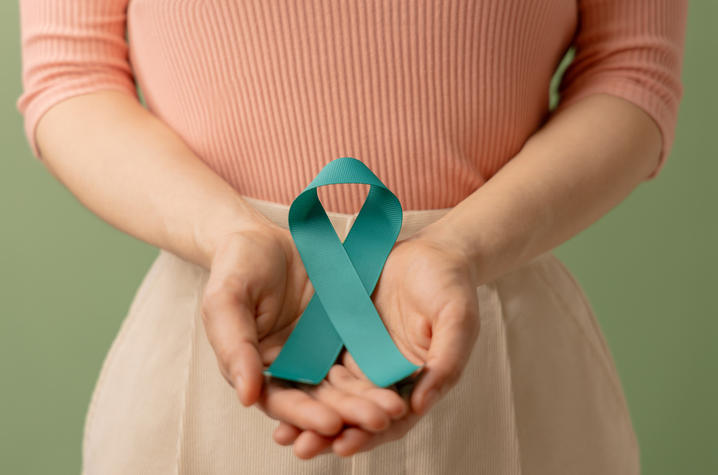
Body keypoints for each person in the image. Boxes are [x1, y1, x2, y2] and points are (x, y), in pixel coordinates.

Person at [16, 1, 687, 474]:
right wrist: (227, 234)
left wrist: (461, 248)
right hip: (222, 322)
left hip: (489, 331)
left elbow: (631, 68)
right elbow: (70, 69)